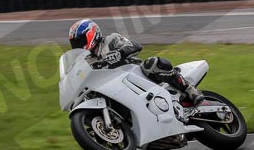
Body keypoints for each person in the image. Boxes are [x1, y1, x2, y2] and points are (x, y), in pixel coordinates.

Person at [67, 19, 205, 106]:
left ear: (91, 34)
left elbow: (134, 46)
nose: (78, 44)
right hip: (115, 88)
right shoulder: (86, 60)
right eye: (75, 43)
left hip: (135, 75)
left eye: (80, 40)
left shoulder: (111, 40)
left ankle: (189, 89)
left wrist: (118, 53)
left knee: (153, 63)